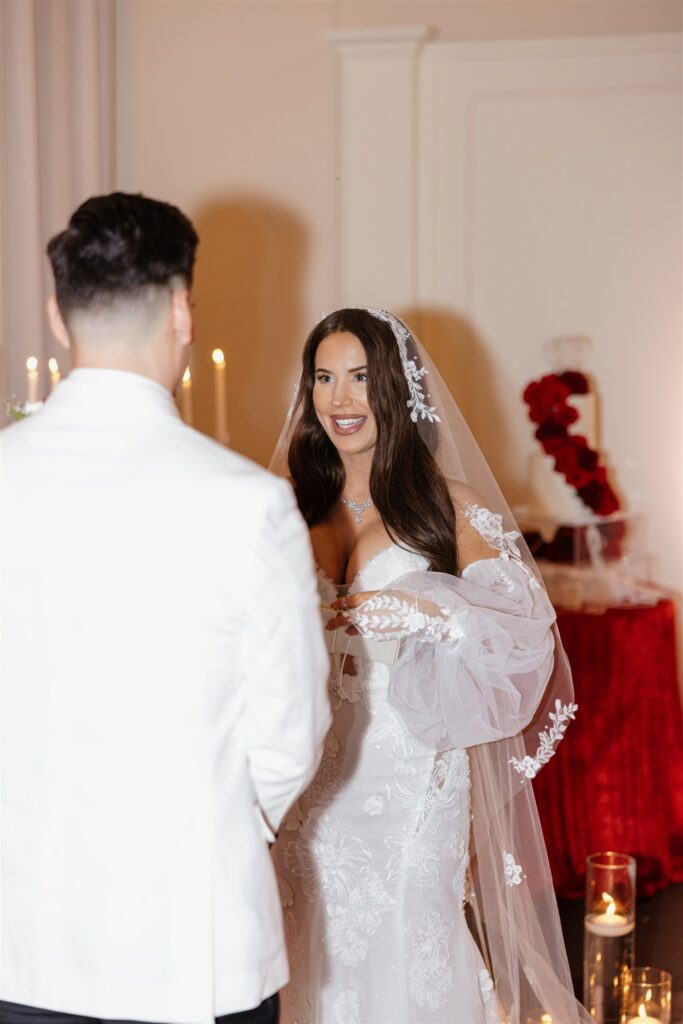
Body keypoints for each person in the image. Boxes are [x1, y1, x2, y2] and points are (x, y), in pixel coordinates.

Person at [0, 193, 331, 1024]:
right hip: (194, 940)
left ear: (56, 313)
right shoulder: (247, 504)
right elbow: (290, 735)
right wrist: (217, 819)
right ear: (182, 311)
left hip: (20, 937)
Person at [270, 307, 590, 1024]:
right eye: (323, 378)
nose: (339, 399)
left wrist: (429, 612)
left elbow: (524, 639)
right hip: (307, 774)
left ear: (396, 388)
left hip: (411, 771)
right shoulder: (289, 507)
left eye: (359, 377)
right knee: (308, 948)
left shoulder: (450, 508)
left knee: (410, 944)